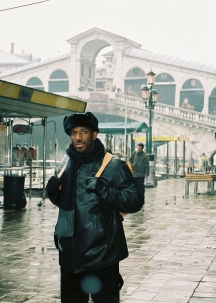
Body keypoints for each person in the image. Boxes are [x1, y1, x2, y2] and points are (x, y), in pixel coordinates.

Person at [45, 112, 144, 302]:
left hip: (101, 255)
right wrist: (54, 193)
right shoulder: (66, 163)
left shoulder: (114, 165)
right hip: (70, 256)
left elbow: (135, 200)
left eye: (83, 131)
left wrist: (105, 191)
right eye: (74, 133)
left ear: (94, 134)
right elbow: (71, 205)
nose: (78, 137)